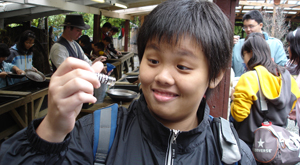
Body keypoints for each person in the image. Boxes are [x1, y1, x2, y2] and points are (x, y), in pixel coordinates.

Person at [0, 1, 255, 164]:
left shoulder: (231, 155)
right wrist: (52, 129)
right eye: (153, 60)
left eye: (182, 66)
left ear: (216, 75)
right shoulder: (95, 135)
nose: (162, 77)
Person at [230, 32, 300, 147]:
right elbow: (291, 104)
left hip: (250, 144)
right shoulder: (287, 77)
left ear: (249, 53)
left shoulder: (249, 78)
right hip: (276, 144)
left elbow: (239, 115)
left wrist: (234, 98)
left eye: (244, 56)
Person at [232, 10, 288, 77]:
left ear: (261, 25)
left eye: (251, 26)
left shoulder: (275, 44)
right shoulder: (237, 44)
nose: (248, 29)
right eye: (245, 27)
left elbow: (282, 68)